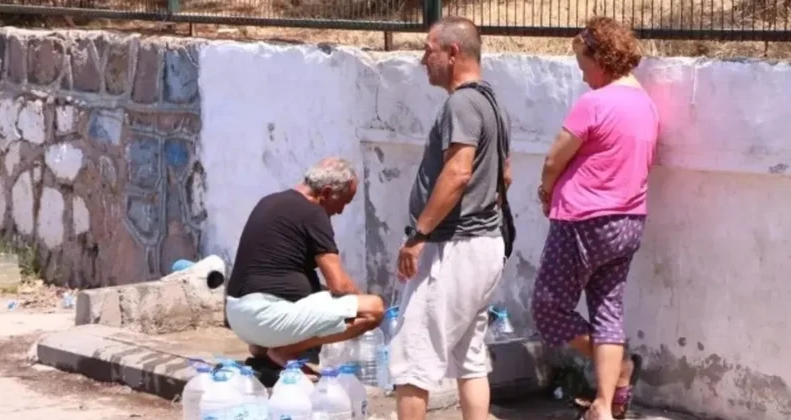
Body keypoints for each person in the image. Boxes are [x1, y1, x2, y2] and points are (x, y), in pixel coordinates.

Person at [531, 17, 660, 420]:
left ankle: (616, 367)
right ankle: (605, 403)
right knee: (607, 309)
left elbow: (555, 158)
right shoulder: (647, 106)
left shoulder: (595, 103)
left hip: (582, 219)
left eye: (583, 64)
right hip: (628, 221)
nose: (582, 74)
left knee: (548, 305)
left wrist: (546, 191)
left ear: (601, 60)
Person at [390, 16, 513, 420]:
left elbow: (458, 172)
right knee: (470, 355)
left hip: (454, 248)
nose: (422, 58)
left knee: (412, 357)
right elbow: (504, 175)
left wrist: (418, 233)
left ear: (453, 52)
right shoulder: (493, 103)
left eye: (429, 49)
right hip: (485, 245)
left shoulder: (461, 103)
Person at [225, 157, 385, 375]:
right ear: (327, 193)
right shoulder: (313, 212)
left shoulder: (270, 201)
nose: (340, 212)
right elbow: (339, 284)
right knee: (373, 309)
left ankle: (263, 348)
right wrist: (358, 300)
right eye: (344, 203)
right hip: (267, 317)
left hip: (237, 316)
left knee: (322, 296)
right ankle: (283, 351)